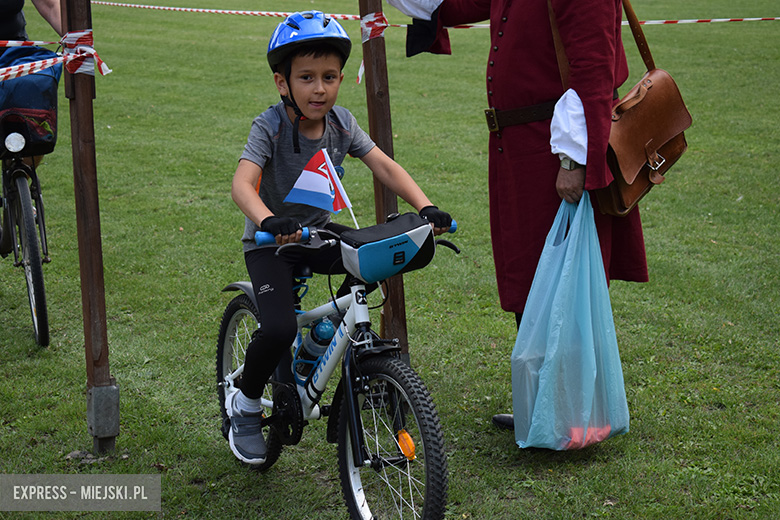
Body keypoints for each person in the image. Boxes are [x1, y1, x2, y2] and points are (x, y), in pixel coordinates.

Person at [389, 0, 649, 430]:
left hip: (554, 150)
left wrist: (574, 160)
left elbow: (594, 67)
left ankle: (570, 413)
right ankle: (546, 402)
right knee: (530, 278)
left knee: (559, 281)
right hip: (523, 146)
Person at [228, 10, 453, 464]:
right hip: (272, 243)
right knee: (278, 326)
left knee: (371, 259)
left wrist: (425, 206)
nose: (319, 89)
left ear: (341, 79)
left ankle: (320, 345)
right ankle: (246, 403)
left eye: (329, 77)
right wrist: (267, 219)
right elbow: (241, 183)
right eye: (306, 77)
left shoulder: (342, 123)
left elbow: (384, 165)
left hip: (319, 232)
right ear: (282, 83)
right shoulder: (268, 126)